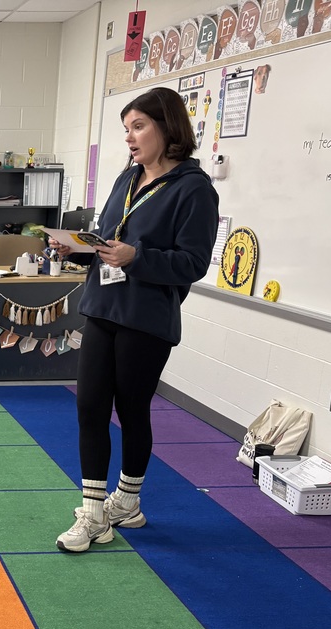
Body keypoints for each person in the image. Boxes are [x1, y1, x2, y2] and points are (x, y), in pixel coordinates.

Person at [48, 86, 219, 553]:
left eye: (139, 126)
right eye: (126, 129)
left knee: (131, 409)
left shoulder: (194, 189)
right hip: (102, 306)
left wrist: (136, 257)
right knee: (89, 408)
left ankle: (128, 500)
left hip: (146, 318)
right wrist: (79, 249)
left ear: (168, 128)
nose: (130, 137)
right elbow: (107, 239)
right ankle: (94, 513)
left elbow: (193, 263)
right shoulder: (127, 179)